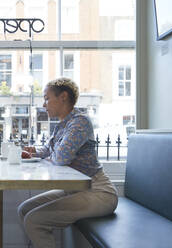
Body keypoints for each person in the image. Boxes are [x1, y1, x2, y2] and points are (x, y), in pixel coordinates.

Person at [18, 77, 118, 248]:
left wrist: (51, 155)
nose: (44, 104)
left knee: (34, 220)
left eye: (47, 98)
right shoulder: (62, 125)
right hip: (73, 190)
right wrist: (33, 151)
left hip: (98, 191)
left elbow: (61, 157)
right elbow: (50, 151)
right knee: (24, 209)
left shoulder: (80, 122)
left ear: (63, 97)